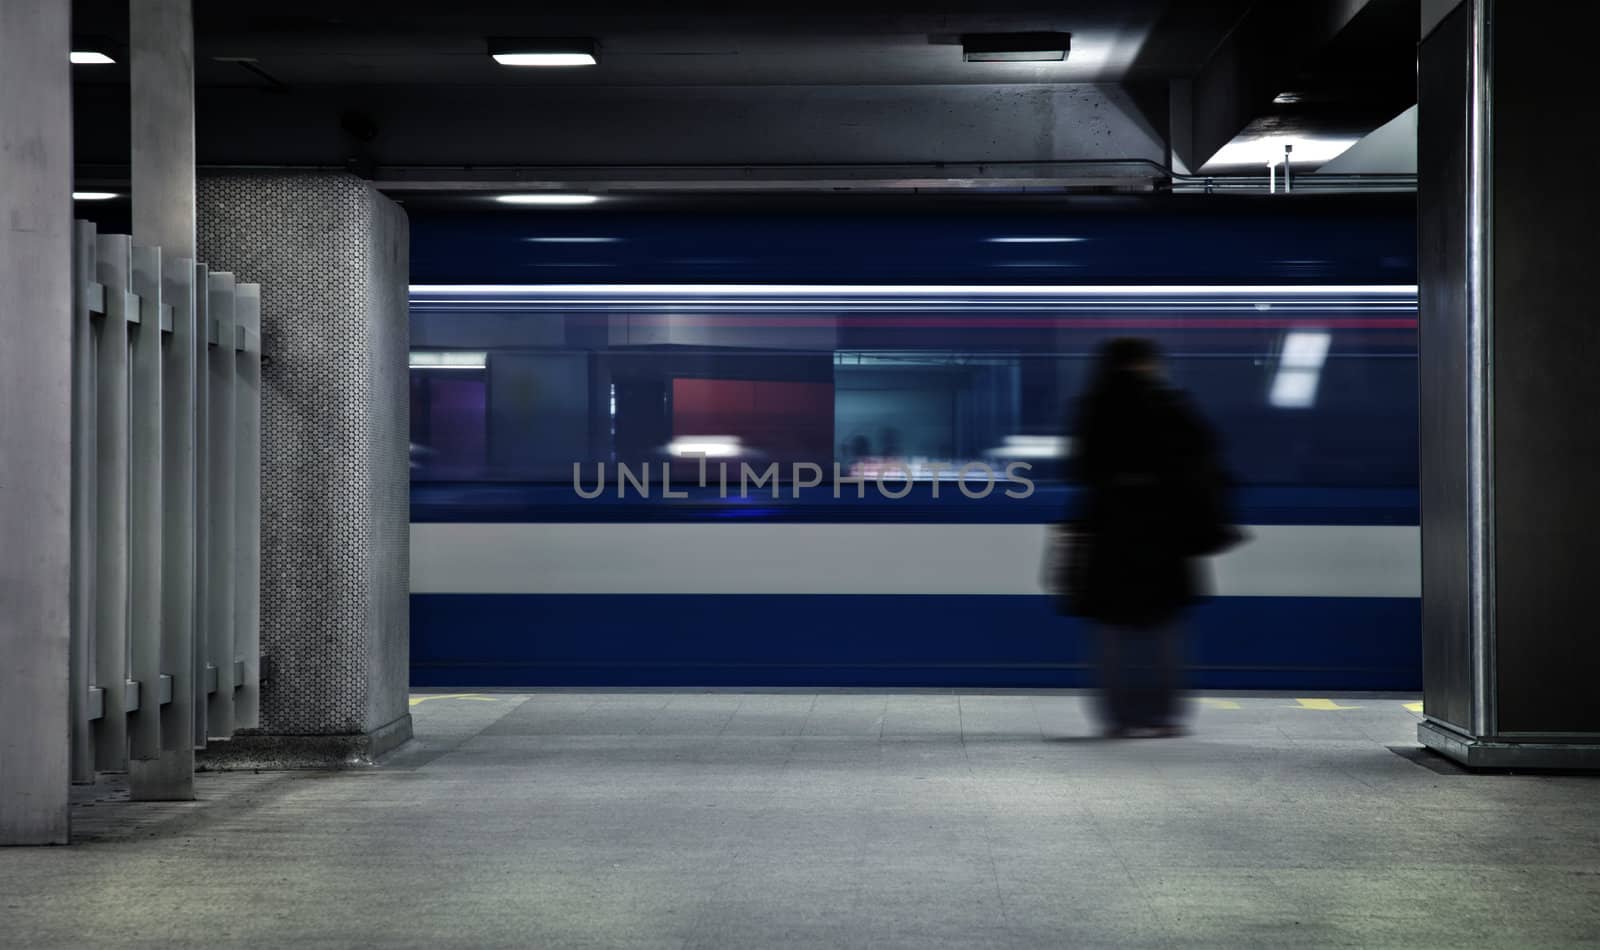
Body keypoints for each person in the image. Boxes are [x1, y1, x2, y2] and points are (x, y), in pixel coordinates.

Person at [1068, 338, 1237, 739]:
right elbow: (1205, 461)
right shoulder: (1172, 405)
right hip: (1165, 533)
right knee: (1164, 628)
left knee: (1111, 630)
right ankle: (1163, 714)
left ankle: (1117, 716)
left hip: (1110, 533)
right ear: (1146, 364)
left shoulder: (1094, 406)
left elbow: (1079, 469)